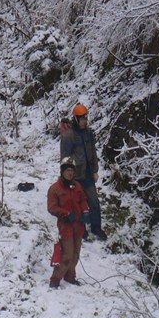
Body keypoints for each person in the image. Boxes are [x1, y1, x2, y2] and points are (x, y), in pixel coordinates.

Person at [60, 103, 107, 241]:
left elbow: (93, 152)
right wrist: (67, 177)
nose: (85, 121)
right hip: (75, 176)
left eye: (86, 118)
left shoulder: (89, 133)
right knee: (76, 204)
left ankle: (96, 227)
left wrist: (95, 170)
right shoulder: (68, 136)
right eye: (82, 119)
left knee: (94, 203)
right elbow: (65, 157)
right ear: (76, 119)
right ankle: (81, 229)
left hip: (87, 175)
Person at [47, 157, 91, 289]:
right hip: (65, 225)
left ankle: (70, 276)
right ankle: (55, 280)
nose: (70, 173)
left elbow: (83, 200)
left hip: (78, 225)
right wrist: (65, 213)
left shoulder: (77, 186)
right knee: (67, 254)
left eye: (72, 170)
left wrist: (85, 212)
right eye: (67, 170)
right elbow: (52, 207)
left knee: (76, 254)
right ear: (62, 172)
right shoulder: (54, 189)